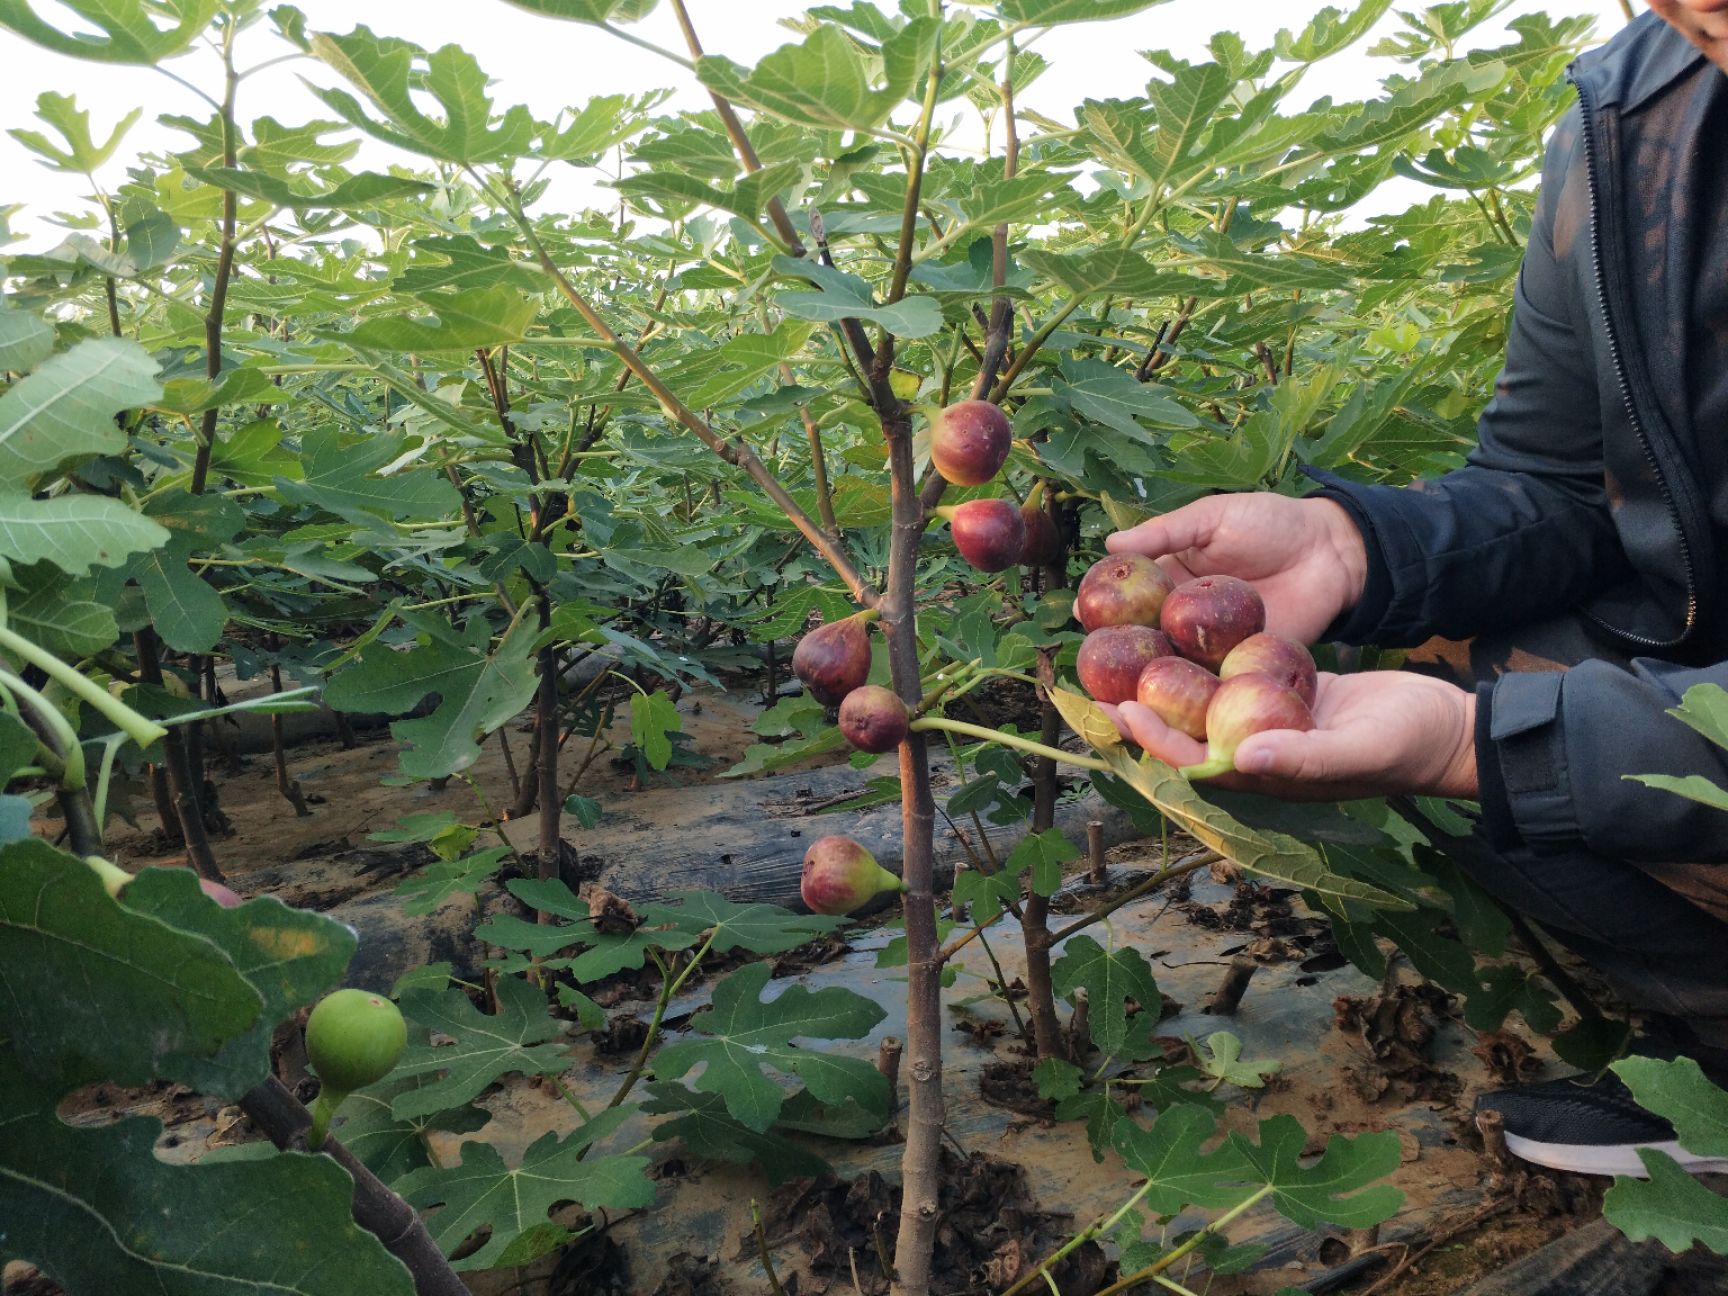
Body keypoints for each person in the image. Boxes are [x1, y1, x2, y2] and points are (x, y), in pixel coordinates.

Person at [1104, 0, 1728, 1178]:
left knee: (1504, 731)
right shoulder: (1633, 123)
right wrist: (1355, 547)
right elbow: (1561, 479)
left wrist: (1482, 747)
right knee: (1449, 655)